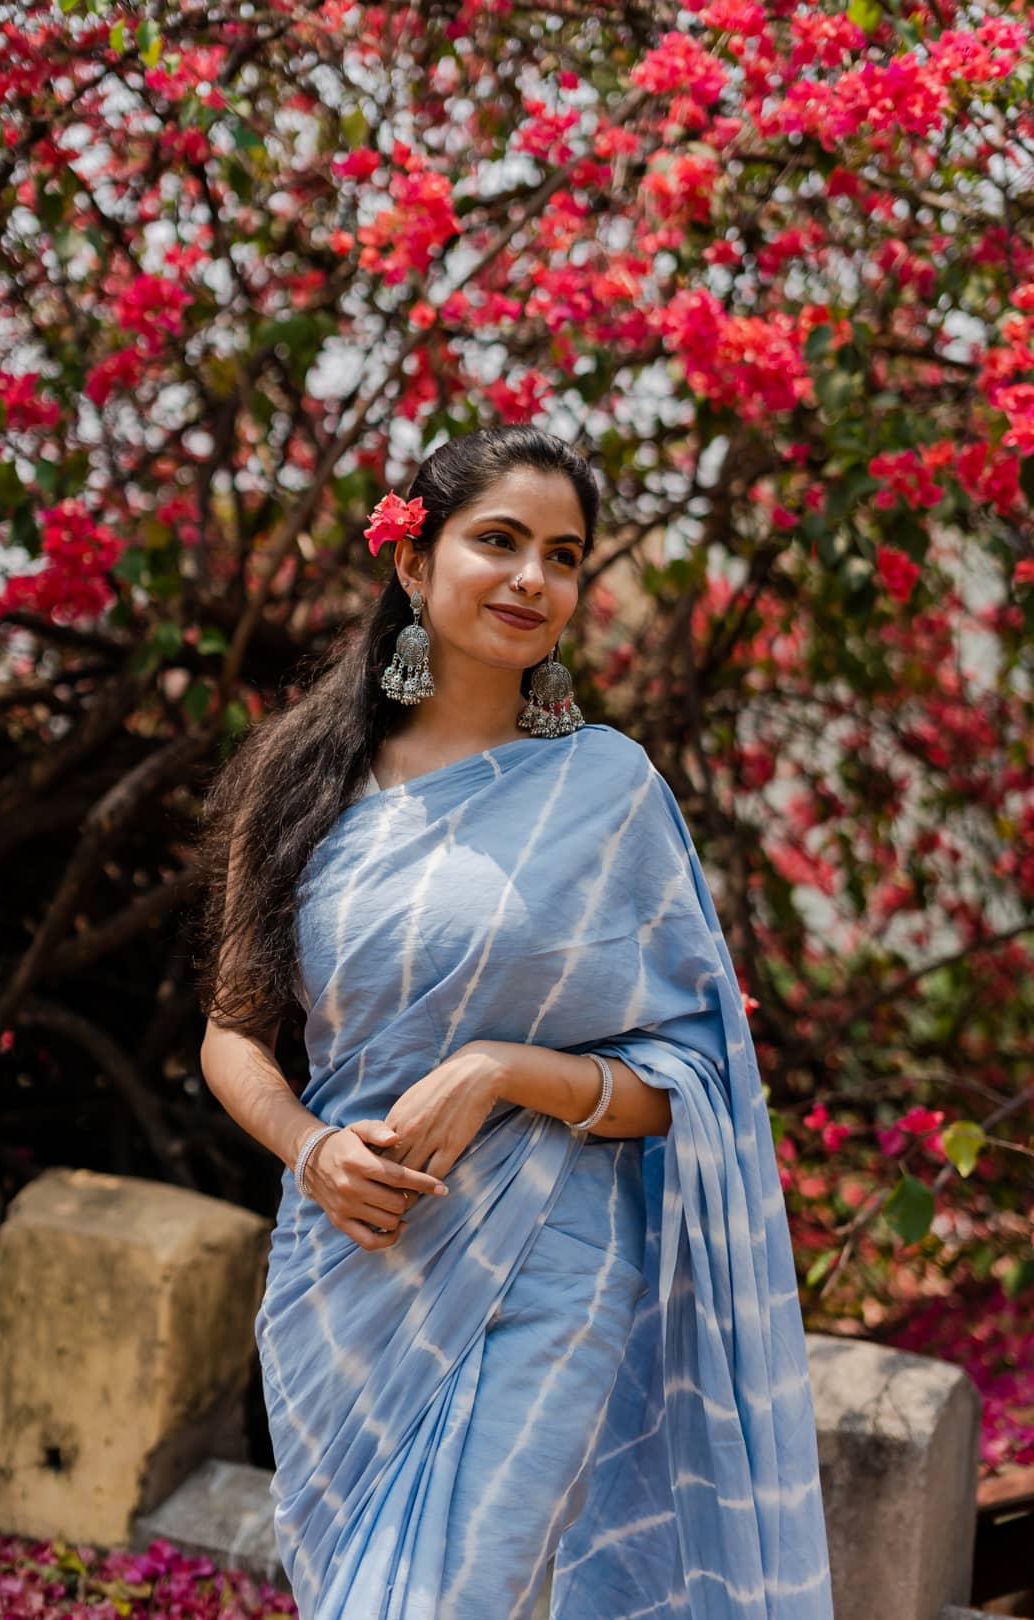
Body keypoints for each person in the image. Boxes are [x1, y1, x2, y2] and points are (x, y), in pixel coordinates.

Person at [197, 425, 834, 1620]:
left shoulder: (609, 793)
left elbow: (691, 1082)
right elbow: (234, 1033)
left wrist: (500, 1068)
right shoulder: (297, 781)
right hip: (352, 1255)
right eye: (499, 541)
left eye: (564, 554)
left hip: (556, 1255)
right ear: (412, 561)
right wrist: (310, 1148)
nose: (533, 579)